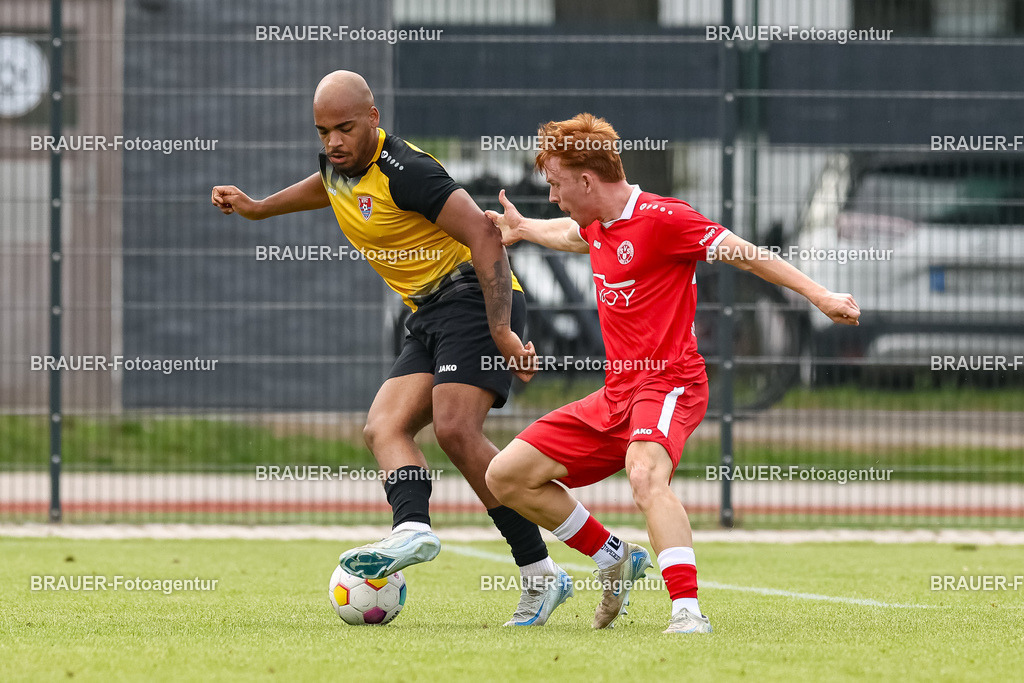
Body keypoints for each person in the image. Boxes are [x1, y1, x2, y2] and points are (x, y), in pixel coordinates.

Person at [211, 71, 573, 626]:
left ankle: (556, 565)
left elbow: (483, 233)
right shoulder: (338, 168)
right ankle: (416, 530)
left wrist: (501, 330)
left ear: (373, 120)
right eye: (323, 131)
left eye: (345, 128)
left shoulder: (408, 172)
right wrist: (258, 207)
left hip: (474, 300)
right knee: (383, 427)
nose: (333, 142)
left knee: (456, 430)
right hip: (429, 314)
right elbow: (324, 186)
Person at [484, 113, 861, 634]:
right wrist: (524, 229)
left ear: (587, 181)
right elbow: (573, 234)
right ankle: (612, 555)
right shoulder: (597, 222)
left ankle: (687, 610)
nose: (551, 195)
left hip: (669, 382)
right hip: (618, 391)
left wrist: (820, 295)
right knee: (504, 476)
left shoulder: (665, 219)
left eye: (555, 184)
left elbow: (746, 256)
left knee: (644, 475)